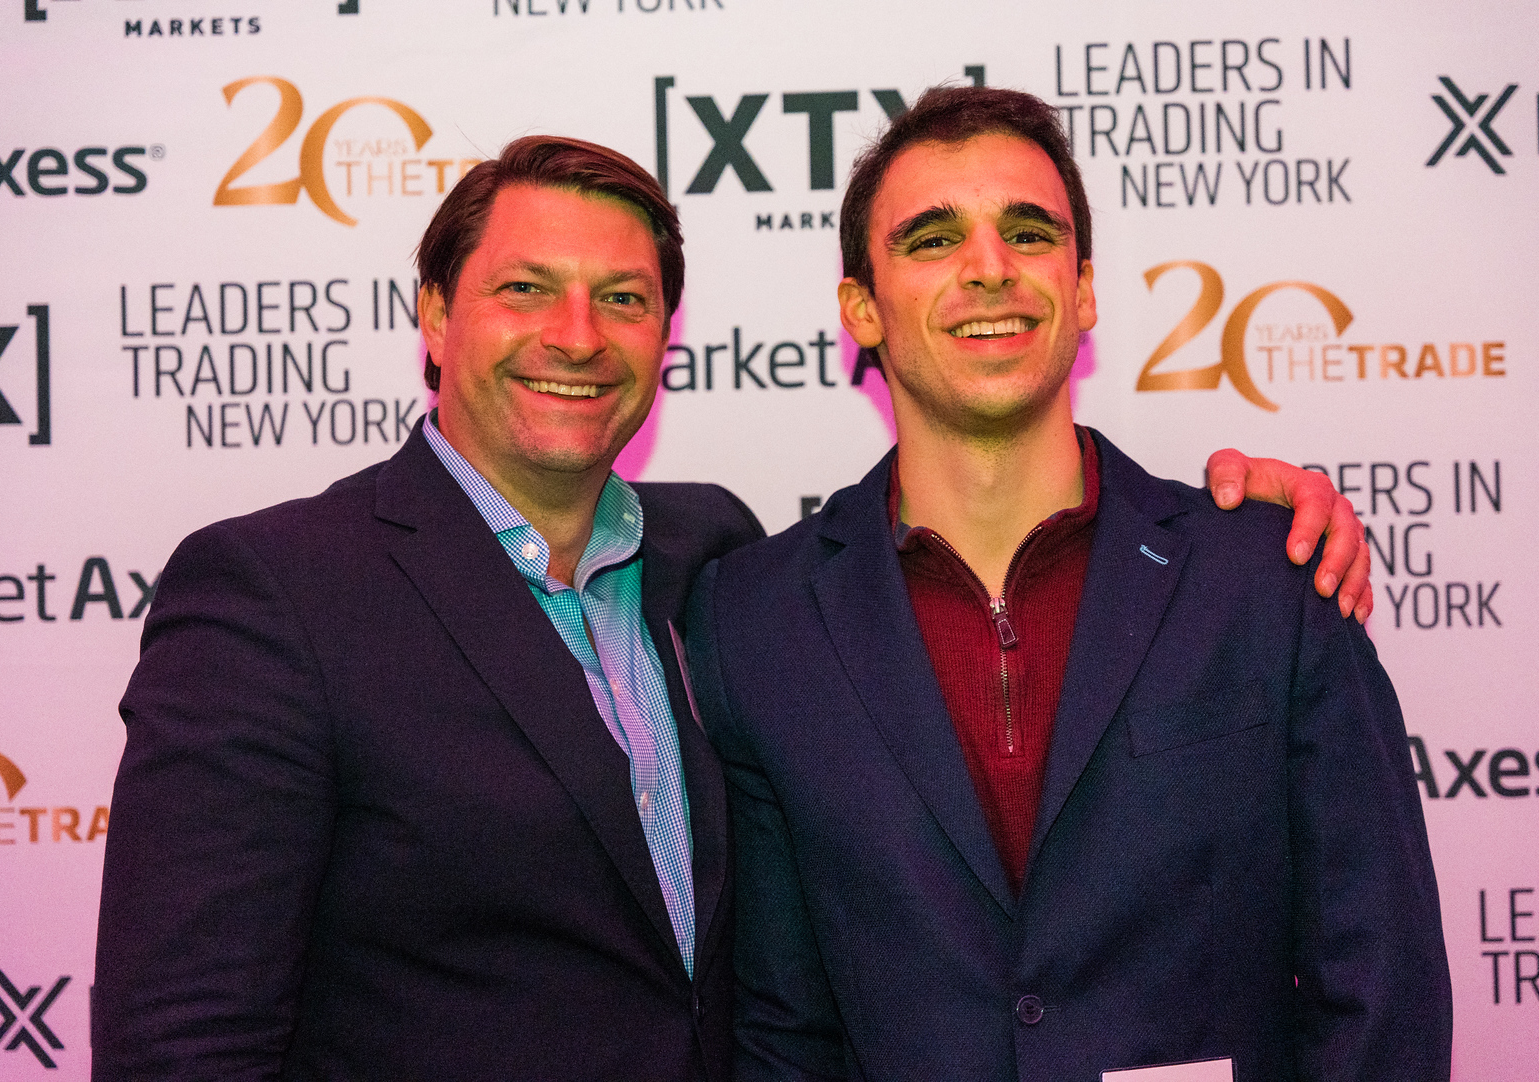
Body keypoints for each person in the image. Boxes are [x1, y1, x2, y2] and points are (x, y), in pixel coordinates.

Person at [92, 134, 1374, 1080]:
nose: (577, 333)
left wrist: (1253, 512)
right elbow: (183, 1039)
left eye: (624, 298)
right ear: (433, 315)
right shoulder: (277, 592)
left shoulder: (716, 563)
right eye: (525, 288)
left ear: (666, 336)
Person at [686, 87, 1451, 1082]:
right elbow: (782, 1032)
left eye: (1028, 232)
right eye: (933, 240)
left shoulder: (1267, 579)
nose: (989, 267)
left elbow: (1381, 991)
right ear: (861, 309)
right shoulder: (757, 620)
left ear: (1083, 289)